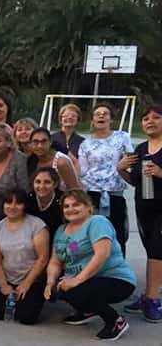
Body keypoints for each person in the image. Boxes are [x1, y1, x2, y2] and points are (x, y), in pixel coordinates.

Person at [44, 190, 135, 341]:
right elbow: (55, 261)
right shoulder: (61, 230)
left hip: (116, 279)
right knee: (58, 290)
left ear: (88, 207)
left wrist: (77, 280)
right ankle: (87, 311)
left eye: (76, 204)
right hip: (89, 280)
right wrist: (50, 283)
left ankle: (116, 322)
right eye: (66, 206)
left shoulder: (97, 222)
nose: (70, 209)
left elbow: (102, 254)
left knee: (77, 290)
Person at [117, 105, 162, 321]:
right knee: (152, 252)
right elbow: (135, 182)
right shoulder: (141, 148)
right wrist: (121, 169)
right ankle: (148, 296)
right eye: (145, 118)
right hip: (144, 208)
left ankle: (152, 299)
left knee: (157, 250)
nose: (150, 121)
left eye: (156, 117)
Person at [78, 103, 133, 257]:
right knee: (92, 236)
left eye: (105, 113)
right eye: (97, 114)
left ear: (111, 119)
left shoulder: (122, 137)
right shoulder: (85, 144)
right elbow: (83, 172)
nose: (101, 115)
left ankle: (118, 271)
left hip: (114, 194)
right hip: (92, 195)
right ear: (92, 120)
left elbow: (132, 160)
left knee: (118, 235)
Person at [0, 190, 49, 324]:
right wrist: (3, 284)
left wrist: (27, 283)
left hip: (32, 279)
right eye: (8, 202)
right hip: (7, 277)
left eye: (18, 203)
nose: (12, 207)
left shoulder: (37, 225)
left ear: (25, 205)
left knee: (27, 318)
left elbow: (43, 258)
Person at [27, 167, 64, 241]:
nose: (42, 186)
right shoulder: (27, 200)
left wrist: (73, 249)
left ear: (55, 184)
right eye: (38, 182)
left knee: (75, 249)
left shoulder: (64, 201)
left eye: (47, 182)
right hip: (33, 242)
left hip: (60, 242)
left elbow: (74, 229)